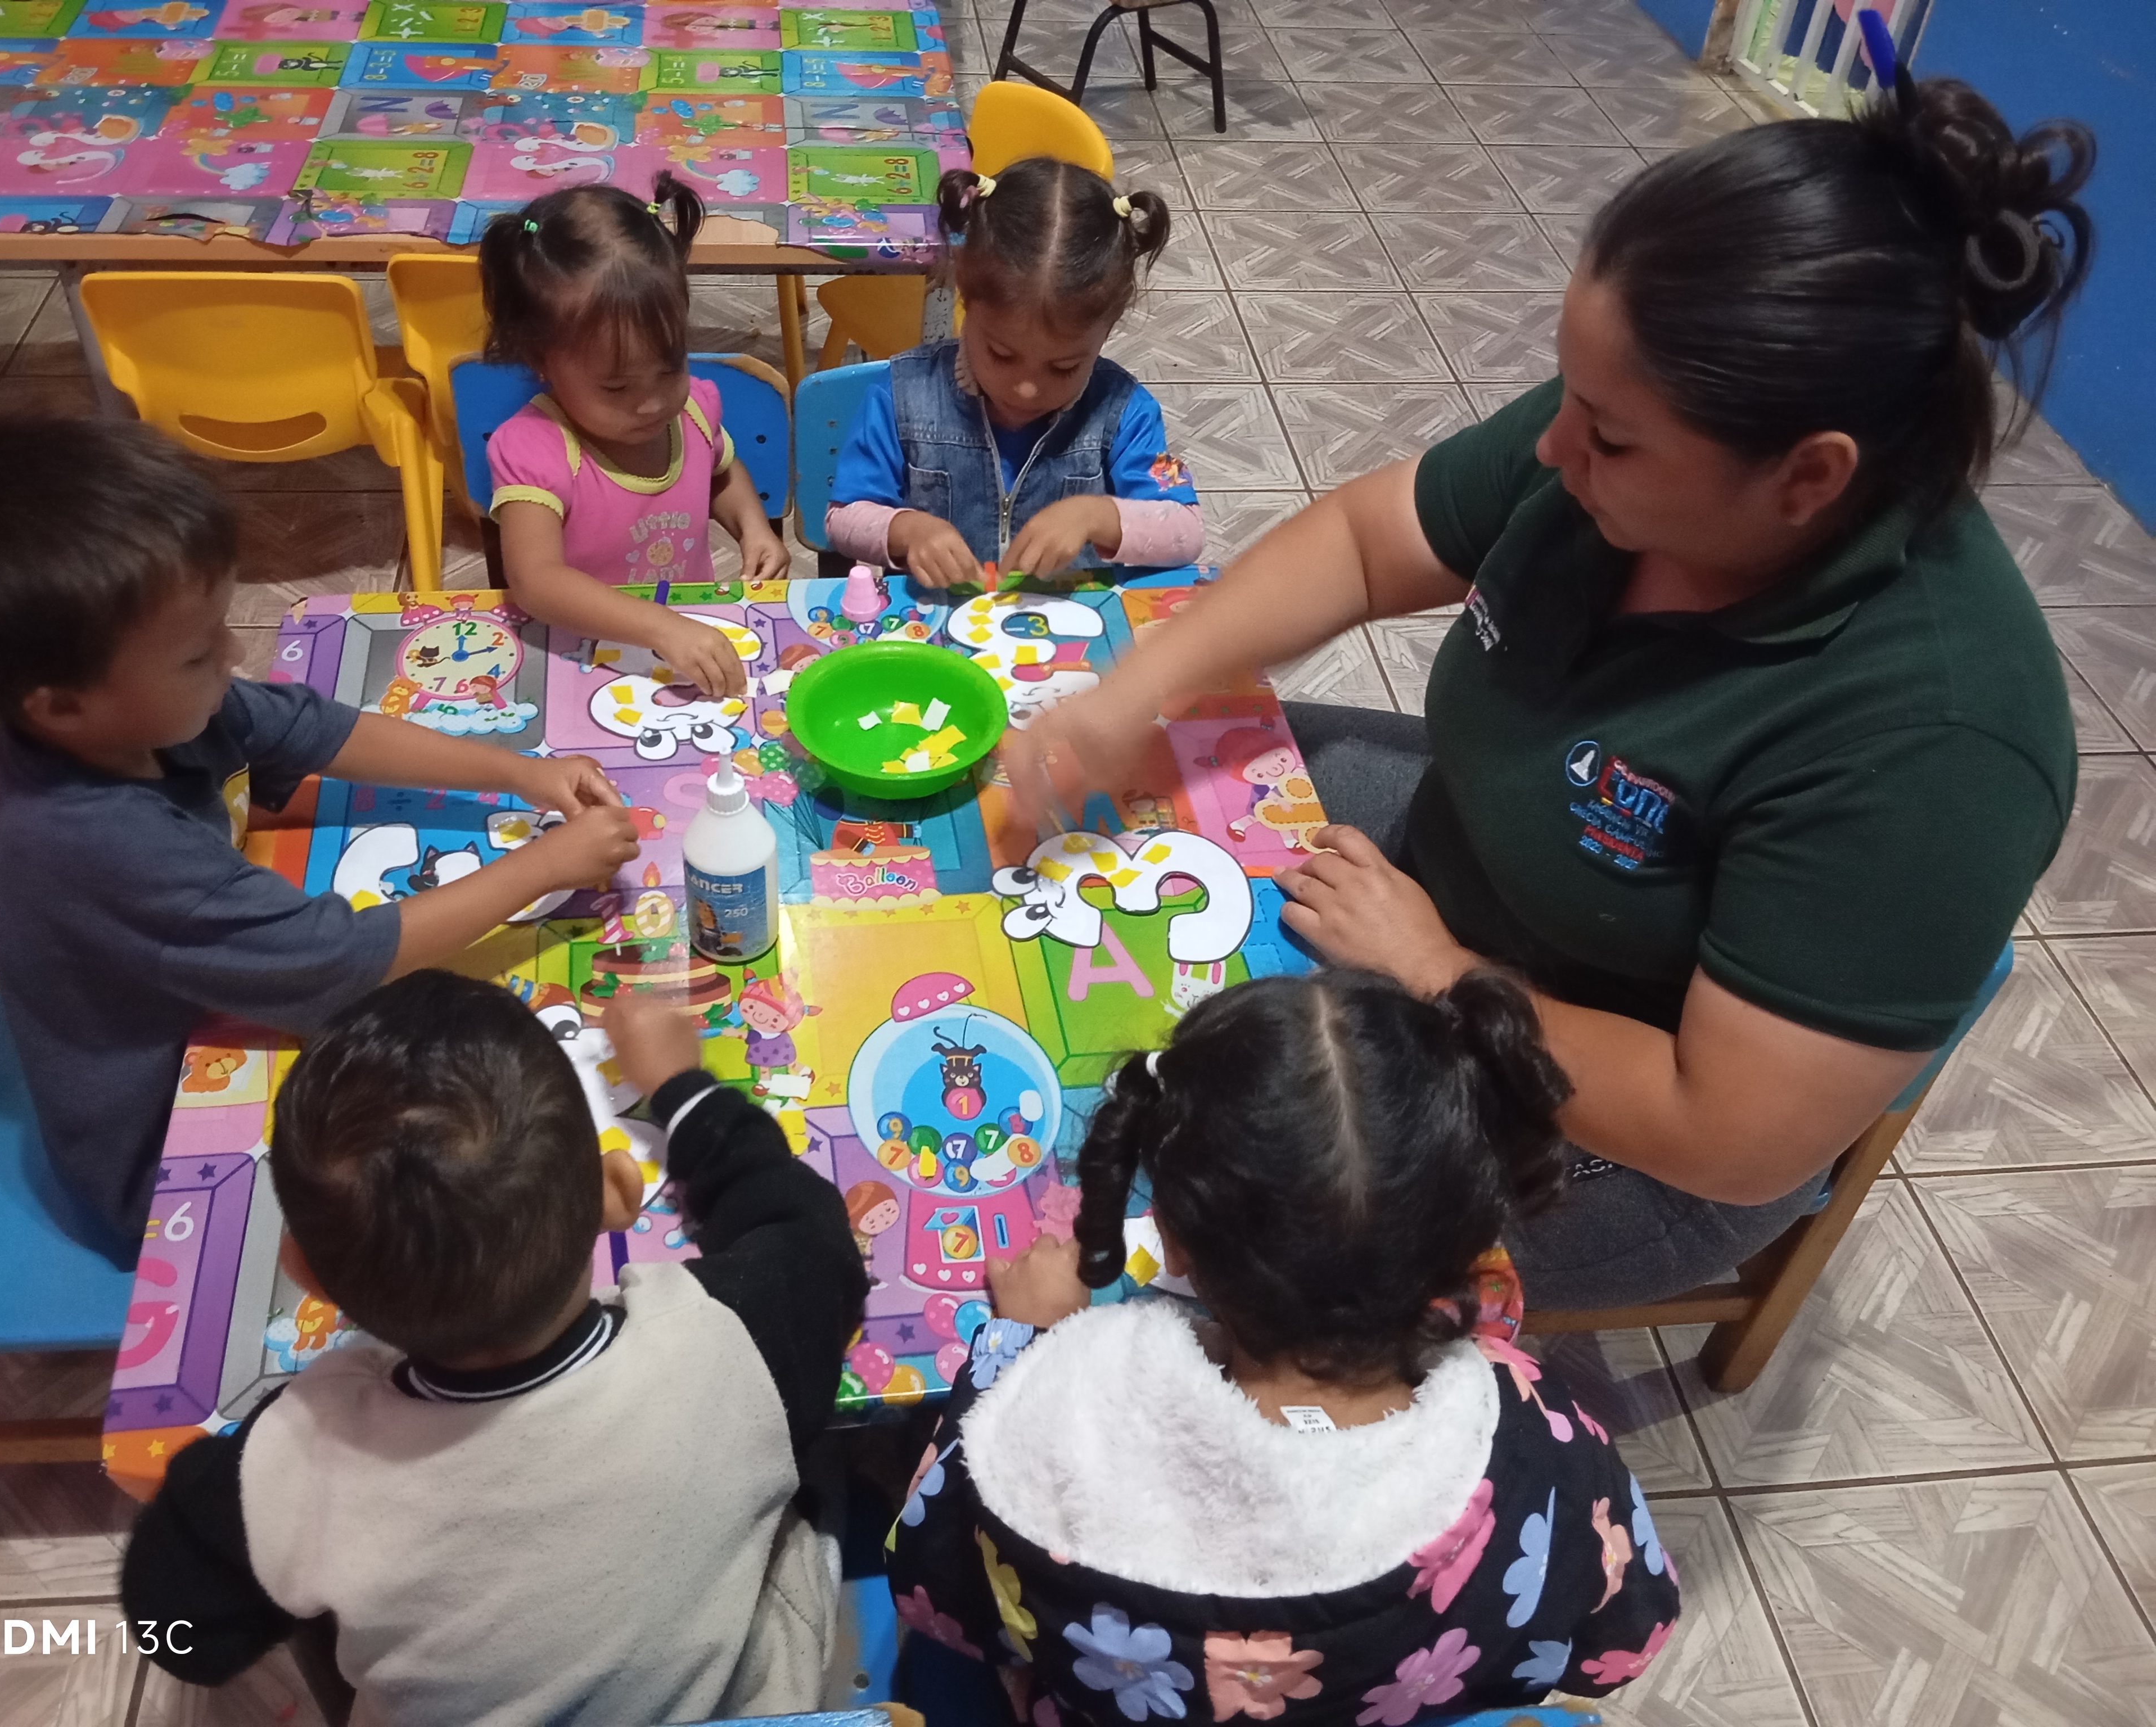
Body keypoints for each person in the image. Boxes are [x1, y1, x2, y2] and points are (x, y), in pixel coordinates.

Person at [1005, 75, 2095, 1309]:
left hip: (1623, 1127)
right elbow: (1367, 541)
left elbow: (1723, 1130)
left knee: (1238, 1251)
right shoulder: (1619, 433)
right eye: (1570, 397)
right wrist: (1129, 698)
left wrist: (1438, 970)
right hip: (1464, 862)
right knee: (1143, 831)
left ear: (1808, 479)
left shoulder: (1940, 743)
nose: (1551, 450)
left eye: (1610, 436)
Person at [0, 420, 642, 1260]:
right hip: (168, 1155)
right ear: (60, 704)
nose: (233, 653)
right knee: (480, 1168)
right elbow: (340, 965)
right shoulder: (104, 844)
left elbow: (306, 727)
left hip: (217, 1020)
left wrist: (518, 772)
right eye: (196, 654)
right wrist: (545, 864)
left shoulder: (119, 716)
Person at [887, 969, 1680, 1726]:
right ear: (1467, 1245)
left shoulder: (1048, 1429)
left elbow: (933, 1595)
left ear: (1173, 1241)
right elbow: (1624, 1648)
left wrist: (1026, 1342)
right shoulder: (1543, 1438)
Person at [121, 975, 870, 1724]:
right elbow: (809, 1236)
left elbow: (174, 1634)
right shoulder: (724, 1340)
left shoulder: (297, 1458)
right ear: (617, 1192)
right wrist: (684, 1090)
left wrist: (251, 1480)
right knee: (825, 1467)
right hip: (737, 1706)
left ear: (305, 1273)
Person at [481, 177, 790, 700]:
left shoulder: (694, 411)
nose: (652, 403)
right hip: (579, 657)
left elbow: (719, 470)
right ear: (541, 360)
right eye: (617, 386)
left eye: (670, 369)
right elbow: (536, 581)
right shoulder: (533, 449)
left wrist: (752, 526)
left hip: (684, 645)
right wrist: (659, 627)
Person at [825, 156, 1201, 587]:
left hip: (1066, 622)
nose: (1027, 390)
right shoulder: (902, 394)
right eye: (1002, 355)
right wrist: (907, 531)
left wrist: (1097, 516)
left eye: (1064, 367)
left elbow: (1186, 529)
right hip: (938, 615)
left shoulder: (1127, 412)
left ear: (1107, 330)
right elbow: (843, 518)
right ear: (965, 297)